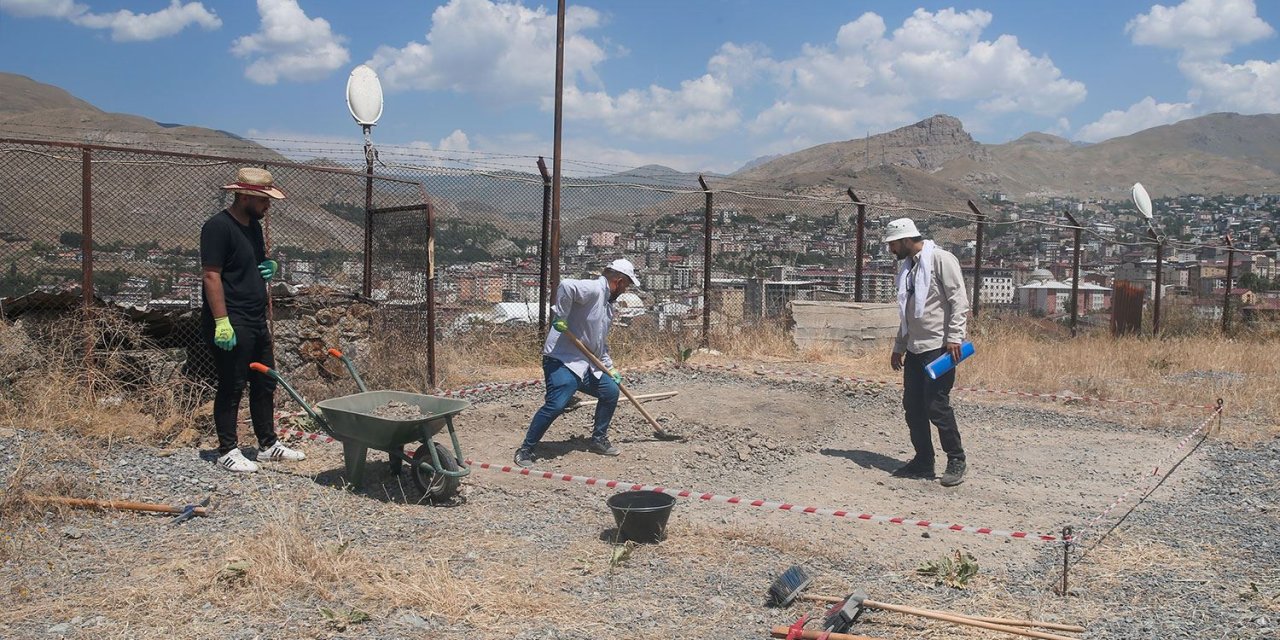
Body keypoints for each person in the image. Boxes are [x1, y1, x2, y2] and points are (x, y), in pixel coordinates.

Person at [200, 167, 305, 473]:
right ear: (245, 196)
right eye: (263, 201)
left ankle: (268, 444)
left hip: (256, 318)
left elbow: (255, 264)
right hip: (232, 320)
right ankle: (227, 449)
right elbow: (211, 276)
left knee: (265, 381)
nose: (267, 207)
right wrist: (221, 321)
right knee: (232, 384)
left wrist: (267, 265)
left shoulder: (254, 228)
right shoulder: (217, 227)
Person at [514, 258, 641, 468]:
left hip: (587, 363)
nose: (625, 289)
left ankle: (598, 440)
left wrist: (611, 370)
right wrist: (560, 316)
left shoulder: (608, 307)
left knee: (610, 391)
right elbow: (566, 286)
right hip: (563, 359)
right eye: (626, 285)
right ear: (618, 281)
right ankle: (526, 449)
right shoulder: (593, 289)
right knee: (556, 404)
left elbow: (599, 346)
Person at [884, 218, 969, 487]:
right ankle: (923, 460)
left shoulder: (941, 260)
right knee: (913, 406)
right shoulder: (907, 270)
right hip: (914, 349)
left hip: (939, 348)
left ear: (906, 240)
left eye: (893, 244)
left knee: (936, 405)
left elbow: (959, 300)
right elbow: (908, 313)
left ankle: (956, 459)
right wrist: (899, 346)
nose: (891, 250)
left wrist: (955, 337)